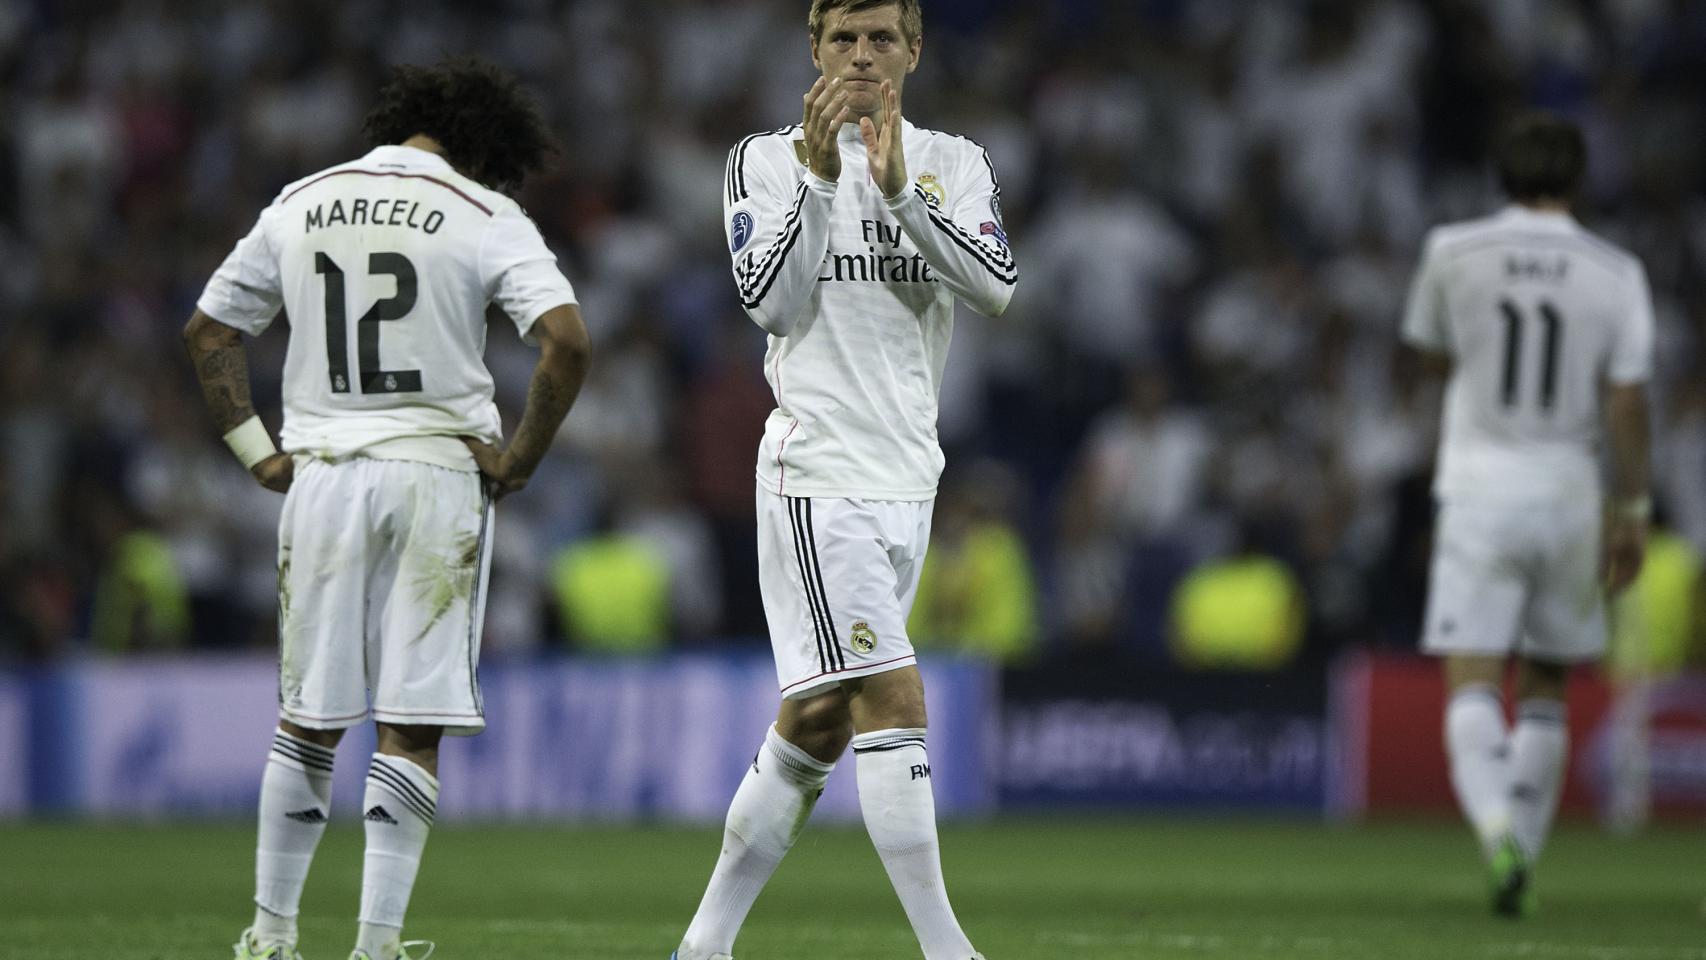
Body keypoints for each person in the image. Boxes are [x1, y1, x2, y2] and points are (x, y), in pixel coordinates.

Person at [184, 58, 591, 960]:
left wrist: (257, 452)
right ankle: (375, 945)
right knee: (409, 722)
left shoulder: (300, 201)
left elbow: (209, 329)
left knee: (308, 716)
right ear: (487, 146)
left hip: (323, 476)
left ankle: (271, 935)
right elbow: (566, 341)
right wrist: (519, 460)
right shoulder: (484, 211)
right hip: (436, 476)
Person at [672, 2, 1014, 958]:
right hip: (817, 473)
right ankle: (949, 950)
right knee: (892, 699)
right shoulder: (764, 160)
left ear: (915, 51)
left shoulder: (955, 162)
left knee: (818, 719)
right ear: (814, 50)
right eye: (843, 40)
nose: (862, 57)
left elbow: (995, 286)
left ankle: (701, 947)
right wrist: (823, 180)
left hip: (910, 472)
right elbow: (769, 305)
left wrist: (902, 192)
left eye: (882, 39)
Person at [1401, 111, 1653, 917]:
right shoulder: (1616, 271)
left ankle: (1498, 829)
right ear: (1578, 178)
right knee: (1546, 683)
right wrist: (1633, 507)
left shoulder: (1451, 250)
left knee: (1472, 675)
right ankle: (1523, 862)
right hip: (1570, 491)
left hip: (1479, 487)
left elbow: (1430, 355)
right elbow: (1627, 402)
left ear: (1499, 175)